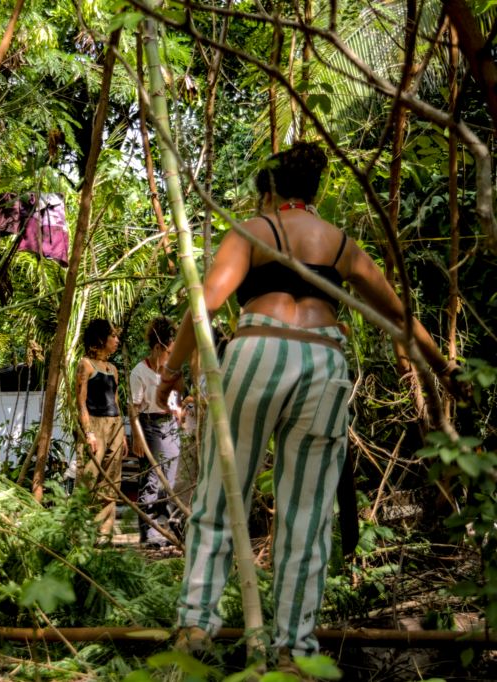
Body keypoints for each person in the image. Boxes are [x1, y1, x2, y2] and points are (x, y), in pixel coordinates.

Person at [155, 142, 460, 664]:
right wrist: (443, 368)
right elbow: (399, 316)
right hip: (323, 364)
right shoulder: (339, 243)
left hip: (257, 352)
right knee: (308, 516)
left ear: (268, 193)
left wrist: (171, 372)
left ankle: (196, 627)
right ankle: (294, 652)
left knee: (221, 496)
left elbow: (205, 304)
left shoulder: (252, 230)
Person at [130, 316, 183, 546]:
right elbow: (133, 408)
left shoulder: (172, 370)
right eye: (168, 352)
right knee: (151, 479)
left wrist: (178, 411)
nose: (170, 356)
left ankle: (172, 529)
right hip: (149, 424)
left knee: (171, 481)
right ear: (157, 347)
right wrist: (137, 437)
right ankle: (148, 534)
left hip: (170, 424)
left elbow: (175, 400)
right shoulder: (139, 372)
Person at [75, 319, 126, 536]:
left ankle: (103, 535)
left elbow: (115, 401)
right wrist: (89, 432)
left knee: (111, 483)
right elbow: (80, 402)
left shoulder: (113, 369)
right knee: (88, 479)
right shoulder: (85, 364)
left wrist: (123, 435)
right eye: (113, 336)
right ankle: (77, 534)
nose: (117, 340)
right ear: (100, 338)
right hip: (94, 424)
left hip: (115, 425)